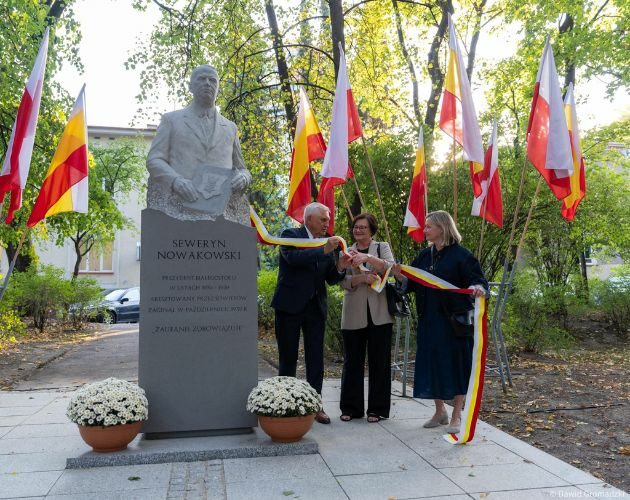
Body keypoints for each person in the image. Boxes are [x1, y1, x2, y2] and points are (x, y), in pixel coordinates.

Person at [392, 211, 487, 433]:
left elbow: (478, 281)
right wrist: (399, 277)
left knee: (456, 366)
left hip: (454, 322)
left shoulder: (462, 256)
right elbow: (412, 283)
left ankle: (456, 415)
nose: (424, 230)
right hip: (429, 320)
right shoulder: (425, 256)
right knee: (432, 364)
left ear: (442, 228)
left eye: (428, 227)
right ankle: (439, 411)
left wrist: (478, 288)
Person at [271, 202, 351, 424]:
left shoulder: (327, 243)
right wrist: (323, 249)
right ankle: (286, 405)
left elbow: (331, 278)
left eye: (328, 219)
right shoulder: (290, 234)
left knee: (316, 360)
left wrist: (341, 266)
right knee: (288, 358)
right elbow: (293, 259)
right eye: (323, 219)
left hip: (315, 308)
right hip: (289, 306)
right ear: (308, 220)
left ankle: (315, 405)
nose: (328, 223)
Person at [146, 64, 251, 224]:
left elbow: (242, 168)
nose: (207, 83)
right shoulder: (171, 120)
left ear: (218, 89)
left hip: (220, 212)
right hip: (180, 206)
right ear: (190, 87)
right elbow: (154, 160)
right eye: (201, 79)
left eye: (212, 80)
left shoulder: (230, 127)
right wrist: (175, 181)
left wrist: (243, 177)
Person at [339, 213, 394, 423]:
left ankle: (377, 410)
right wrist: (361, 278)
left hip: (380, 314)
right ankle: (350, 408)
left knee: (380, 362)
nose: (358, 230)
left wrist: (368, 259)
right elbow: (341, 280)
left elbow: (391, 267)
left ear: (372, 230)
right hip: (353, 313)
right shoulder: (346, 250)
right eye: (356, 227)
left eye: (363, 227)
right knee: (352, 361)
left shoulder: (381, 247)